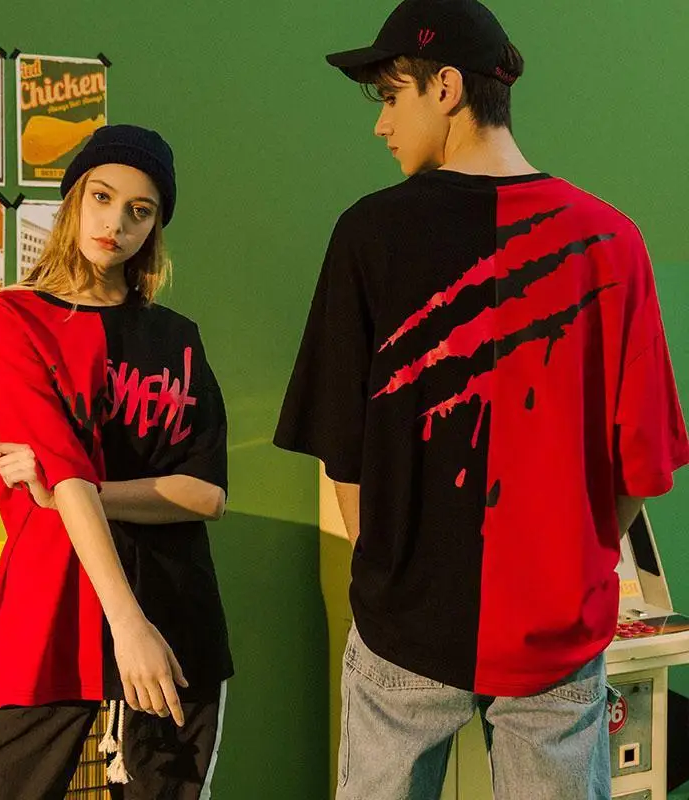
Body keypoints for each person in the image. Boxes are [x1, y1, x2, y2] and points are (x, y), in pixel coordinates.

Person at [273, 1, 689, 798]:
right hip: (554, 630)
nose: (381, 125)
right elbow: (641, 462)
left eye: (390, 96)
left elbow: (342, 449)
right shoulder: (610, 242)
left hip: (405, 622)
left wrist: (387, 571)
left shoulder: (368, 234)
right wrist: (570, 565)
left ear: (447, 88)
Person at [0, 124, 233, 800]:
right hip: (53, 609)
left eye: (140, 210)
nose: (116, 224)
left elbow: (206, 495)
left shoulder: (177, 338)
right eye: (103, 197)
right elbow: (68, 471)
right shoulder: (12, 318)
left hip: (175, 614)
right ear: (74, 199)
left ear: (155, 226)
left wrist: (66, 490)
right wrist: (126, 622)